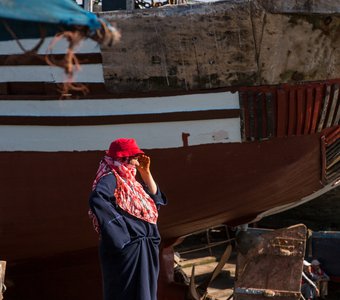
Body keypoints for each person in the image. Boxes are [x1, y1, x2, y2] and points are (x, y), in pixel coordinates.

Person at [88, 138, 167, 300]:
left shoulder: (131, 183)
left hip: (144, 247)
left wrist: (146, 174)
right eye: (134, 157)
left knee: (145, 293)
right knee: (126, 294)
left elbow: (155, 201)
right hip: (129, 249)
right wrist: (122, 238)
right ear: (122, 158)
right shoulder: (111, 178)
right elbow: (97, 198)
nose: (137, 162)